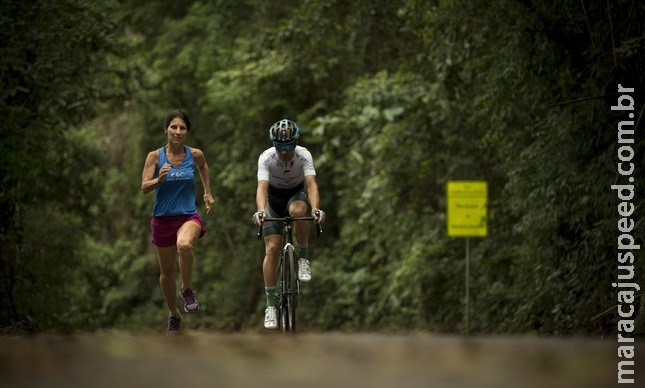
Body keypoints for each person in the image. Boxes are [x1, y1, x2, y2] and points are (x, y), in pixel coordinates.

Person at [141, 109, 215, 335]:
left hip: (187, 216)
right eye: (173, 127)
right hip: (162, 219)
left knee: (185, 245)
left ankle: (186, 289)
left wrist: (207, 192)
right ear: (166, 129)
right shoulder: (155, 156)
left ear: (187, 132)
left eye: (182, 128)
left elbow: (203, 166)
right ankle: (174, 313)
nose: (177, 131)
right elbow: (144, 187)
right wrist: (159, 180)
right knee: (166, 273)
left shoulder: (195, 155)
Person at [252, 119, 326, 330]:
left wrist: (316, 209)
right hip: (273, 201)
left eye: (288, 146)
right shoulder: (266, 158)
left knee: (298, 212)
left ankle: (303, 257)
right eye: (280, 147)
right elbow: (261, 188)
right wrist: (260, 210)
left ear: (295, 143)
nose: (284, 152)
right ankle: (270, 305)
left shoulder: (304, 155)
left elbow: (311, 185)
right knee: (273, 247)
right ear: (273, 144)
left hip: (295, 195)